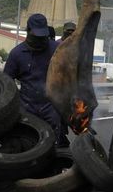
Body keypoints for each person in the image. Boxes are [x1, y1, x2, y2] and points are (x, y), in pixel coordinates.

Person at [4, 14, 68, 146]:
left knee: (52, 144)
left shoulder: (57, 50)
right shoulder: (17, 54)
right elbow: (6, 81)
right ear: (28, 31)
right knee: (28, 143)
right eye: (36, 36)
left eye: (42, 37)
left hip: (51, 107)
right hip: (27, 107)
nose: (40, 40)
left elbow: (67, 75)